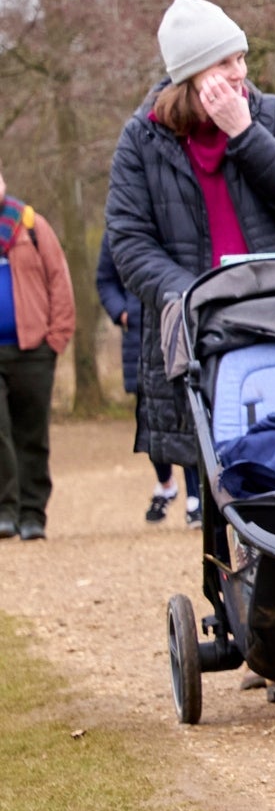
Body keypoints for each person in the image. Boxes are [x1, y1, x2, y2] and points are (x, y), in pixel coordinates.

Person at [104, 0, 275, 551]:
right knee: (219, 471)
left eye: (242, 59)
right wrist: (191, 295)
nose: (241, 73)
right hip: (199, 326)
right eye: (226, 62)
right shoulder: (141, 141)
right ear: (191, 73)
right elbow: (129, 242)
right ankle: (237, 593)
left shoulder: (267, 112)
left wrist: (245, 133)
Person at [0, 164, 77, 540]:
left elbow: (59, 279)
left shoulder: (29, 225)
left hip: (33, 350)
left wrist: (56, 339)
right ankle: (5, 510)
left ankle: (33, 513)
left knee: (32, 433)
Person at [95, 235, 182, 523]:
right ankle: (166, 483)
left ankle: (197, 496)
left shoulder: (178, 217)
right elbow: (105, 279)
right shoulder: (120, 229)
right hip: (138, 334)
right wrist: (122, 312)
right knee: (150, 416)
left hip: (180, 325)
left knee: (191, 411)